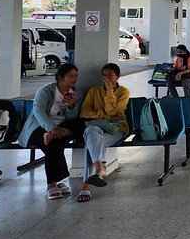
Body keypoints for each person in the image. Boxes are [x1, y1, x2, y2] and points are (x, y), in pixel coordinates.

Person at [17, 63, 85, 199]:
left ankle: (56, 182)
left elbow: (73, 118)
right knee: (53, 144)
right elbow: (37, 111)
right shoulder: (46, 91)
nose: (74, 79)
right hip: (39, 127)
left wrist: (71, 106)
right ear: (60, 78)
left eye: (76, 76)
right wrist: (52, 128)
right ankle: (51, 184)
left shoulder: (77, 93)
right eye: (70, 76)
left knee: (81, 124)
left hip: (62, 127)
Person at [76, 63, 130, 202]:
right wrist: (104, 116)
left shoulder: (124, 92)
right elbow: (84, 112)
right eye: (104, 75)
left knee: (91, 144)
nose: (107, 78)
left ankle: (86, 186)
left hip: (116, 129)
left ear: (118, 77)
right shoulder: (94, 91)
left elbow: (115, 112)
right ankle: (100, 168)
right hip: (97, 127)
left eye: (110, 75)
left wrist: (110, 90)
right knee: (90, 131)